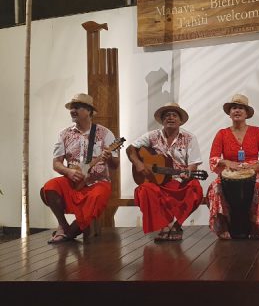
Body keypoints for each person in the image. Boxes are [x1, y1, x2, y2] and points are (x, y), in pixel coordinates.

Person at [41, 93, 120, 243]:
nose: (72, 110)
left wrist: (109, 157)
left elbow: (115, 165)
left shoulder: (105, 134)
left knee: (96, 197)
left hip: (98, 182)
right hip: (73, 181)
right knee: (50, 187)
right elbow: (56, 163)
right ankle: (64, 226)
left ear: (89, 111)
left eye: (77, 107)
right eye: (72, 107)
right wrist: (69, 172)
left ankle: (70, 233)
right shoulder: (64, 134)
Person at [126, 102, 203, 241]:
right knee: (144, 189)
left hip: (178, 180)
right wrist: (138, 163)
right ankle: (164, 225)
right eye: (167, 115)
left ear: (180, 120)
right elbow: (130, 149)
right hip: (157, 181)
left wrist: (188, 173)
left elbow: (193, 164)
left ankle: (177, 225)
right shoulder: (152, 136)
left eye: (174, 115)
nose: (171, 118)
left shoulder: (189, 138)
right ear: (162, 120)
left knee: (195, 188)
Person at [207, 94, 259, 239]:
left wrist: (254, 167)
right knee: (215, 187)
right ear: (230, 113)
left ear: (246, 113)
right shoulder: (222, 133)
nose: (237, 111)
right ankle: (224, 227)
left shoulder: (256, 131)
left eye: (241, 108)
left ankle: (257, 228)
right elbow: (213, 158)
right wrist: (226, 162)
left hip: (253, 171)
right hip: (230, 172)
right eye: (234, 108)